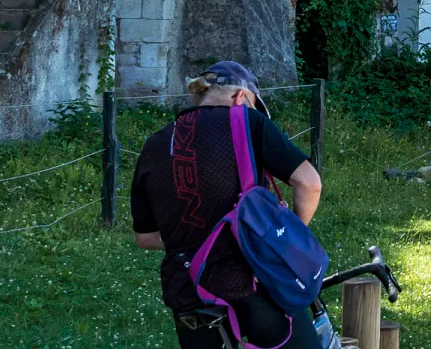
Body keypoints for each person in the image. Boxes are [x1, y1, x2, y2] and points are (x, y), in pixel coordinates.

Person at [131, 61, 325, 349]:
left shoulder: (155, 143)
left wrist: (196, 239)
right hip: (250, 280)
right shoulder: (249, 121)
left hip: (188, 289)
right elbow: (309, 184)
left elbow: (144, 238)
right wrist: (282, 243)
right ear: (240, 97)